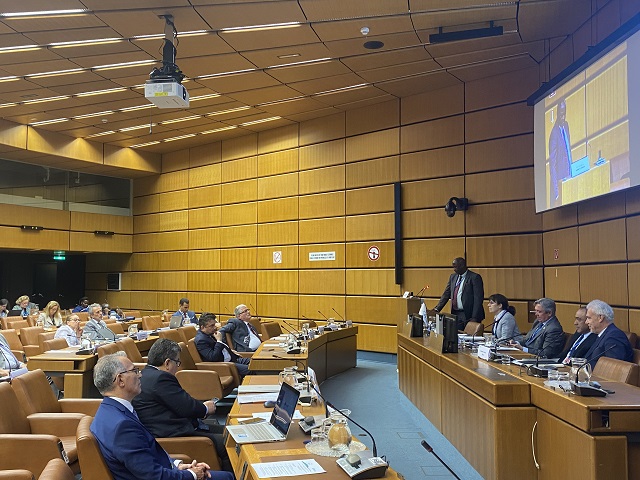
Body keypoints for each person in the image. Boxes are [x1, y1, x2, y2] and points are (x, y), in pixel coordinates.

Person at [90, 352, 229, 480]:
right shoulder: (122, 425)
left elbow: (145, 459)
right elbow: (153, 476)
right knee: (227, 477)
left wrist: (178, 466)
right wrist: (192, 474)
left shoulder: (108, 411)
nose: (140, 375)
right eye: (134, 371)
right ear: (120, 380)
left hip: (164, 470)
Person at [132, 339, 233, 473]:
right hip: (175, 435)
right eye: (177, 362)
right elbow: (187, 407)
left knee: (230, 430)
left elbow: (180, 402)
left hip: (170, 429)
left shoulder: (145, 375)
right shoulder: (161, 378)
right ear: (167, 363)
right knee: (230, 442)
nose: (178, 367)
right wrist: (206, 408)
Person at [434, 257, 485, 330]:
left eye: (455, 267)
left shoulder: (474, 277)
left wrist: (474, 317)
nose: (454, 269)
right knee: (455, 334)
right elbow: (446, 294)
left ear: (462, 265)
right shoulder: (453, 277)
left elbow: (478, 298)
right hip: (456, 313)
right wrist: (437, 309)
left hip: (469, 314)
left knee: (469, 335)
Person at [195, 313, 251, 378]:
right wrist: (219, 341)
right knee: (251, 370)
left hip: (233, 359)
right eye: (212, 326)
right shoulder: (201, 340)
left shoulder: (210, 333)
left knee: (256, 363)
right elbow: (213, 357)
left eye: (215, 325)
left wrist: (230, 350)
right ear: (202, 327)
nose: (215, 327)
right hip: (225, 365)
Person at [583, 299, 633, 368]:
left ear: (600, 318)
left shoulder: (614, 336)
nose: (586, 322)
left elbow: (613, 368)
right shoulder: (603, 334)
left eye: (589, 318)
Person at [548, 99, 572, 207]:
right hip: (560, 182)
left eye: (564, 114)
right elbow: (552, 165)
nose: (563, 117)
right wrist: (557, 192)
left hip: (569, 177)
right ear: (557, 114)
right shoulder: (554, 134)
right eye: (561, 115)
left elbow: (568, 151)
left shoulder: (566, 125)